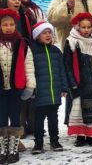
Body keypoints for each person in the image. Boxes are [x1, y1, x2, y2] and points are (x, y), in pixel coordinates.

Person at [63, 13, 92, 147]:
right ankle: (80, 136)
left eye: (89, 27)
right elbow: (67, 64)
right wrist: (72, 82)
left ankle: (91, 136)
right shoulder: (71, 42)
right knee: (79, 111)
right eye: (83, 27)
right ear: (78, 27)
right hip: (78, 83)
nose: (86, 30)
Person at [0, 8, 35, 164]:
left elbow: (29, 65)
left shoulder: (22, 43)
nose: (9, 27)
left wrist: (30, 86)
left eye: (12, 24)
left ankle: (13, 148)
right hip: (0, 89)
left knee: (15, 118)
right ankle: (3, 148)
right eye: (5, 24)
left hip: (16, 87)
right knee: (1, 118)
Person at [30, 21, 68, 154]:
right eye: (44, 33)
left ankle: (54, 140)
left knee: (53, 117)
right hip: (39, 93)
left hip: (54, 92)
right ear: (36, 36)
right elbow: (30, 71)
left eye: (49, 33)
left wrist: (64, 87)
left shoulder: (56, 51)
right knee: (38, 119)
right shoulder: (32, 51)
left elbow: (62, 70)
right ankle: (38, 143)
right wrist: (31, 89)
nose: (47, 35)